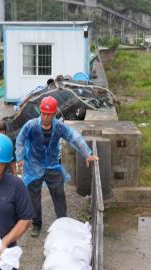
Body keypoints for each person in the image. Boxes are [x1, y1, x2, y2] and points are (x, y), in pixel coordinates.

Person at [15, 96, 98, 237]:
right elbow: (20, 140)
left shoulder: (59, 127)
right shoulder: (31, 125)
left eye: (49, 114)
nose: (46, 117)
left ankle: (62, 222)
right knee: (33, 196)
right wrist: (20, 158)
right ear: (40, 112)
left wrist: (87, 154)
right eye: (43, 113)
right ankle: (36, 223)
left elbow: (75, 138)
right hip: (33, 166)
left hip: (52, 166)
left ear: (54, 114)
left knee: (58, 193)